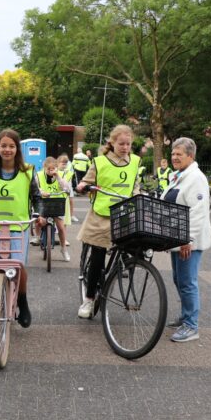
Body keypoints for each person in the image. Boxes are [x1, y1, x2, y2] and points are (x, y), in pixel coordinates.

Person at [0, 128, 42, 328]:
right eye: (3, 146)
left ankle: (22, 302)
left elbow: (37, 197)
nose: (7, 149)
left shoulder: (28, 171)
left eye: (11, 146)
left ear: (17, 149)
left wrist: (39, 215)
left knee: (18, 267)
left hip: (18, 227)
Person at [75, 125, 141, 319]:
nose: (125, 147)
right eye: (121, 143)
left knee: (137, 249)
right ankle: (88, 299)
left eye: (128, 144)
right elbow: (85, 182)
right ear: (112, 143)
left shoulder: (135, 161)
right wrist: (83, 186)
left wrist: (139, 197)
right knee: (97, 256)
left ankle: (116, 274)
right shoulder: (100, 161)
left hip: (124, 215)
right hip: (101, 215)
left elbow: (135, 186)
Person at [161, 138, 211, 342]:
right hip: (178, 238)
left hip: (188, 241)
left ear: (191, 156)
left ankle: (191, 326)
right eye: (173, 154)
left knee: (188, 282)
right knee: (179, 280)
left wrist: (187, 239)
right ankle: (185, 317)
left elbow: (198, 212)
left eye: (179, 154)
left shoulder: (196, 178)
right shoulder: (179, 176)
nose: (174, 157)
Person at [34, 156, 71, 261]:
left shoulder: (60, 175)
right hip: (43, 203)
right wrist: (41, 192)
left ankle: (63, 249)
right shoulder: (39, 175)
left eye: (53, 168)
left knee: (61, 227)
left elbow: (67, 189)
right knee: (39, 220)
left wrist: (58, 177)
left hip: (57, 204)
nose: (51, 171)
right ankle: (38, 237)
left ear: (56, 167)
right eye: (48, 169)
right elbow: (34, 188)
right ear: (44, 168)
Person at [58, 154, 77, 226]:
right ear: (58, 163)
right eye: (63, 164)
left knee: (71, 201)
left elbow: (69, 183)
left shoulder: (68, 171)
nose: (64, 165)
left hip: (67, 189)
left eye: (65, 164)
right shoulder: (55, 170)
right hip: (57, 194)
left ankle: (71, 216)